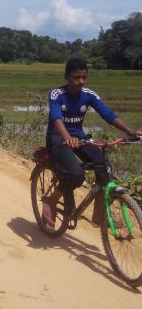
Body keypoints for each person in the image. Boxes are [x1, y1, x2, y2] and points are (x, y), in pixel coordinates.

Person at [42, 58, 141, 229]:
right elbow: (56, 118)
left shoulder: (89, 95)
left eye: (83, 77)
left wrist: (129, 132)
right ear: (66, 77)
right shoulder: (56, 94)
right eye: (76, 77)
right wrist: (66, 137)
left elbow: (107, 114)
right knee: (76, 175)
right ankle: (50, 201)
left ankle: (99, 215)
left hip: (79, 137)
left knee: (104, 167)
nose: (80, 81)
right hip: (58, 138)